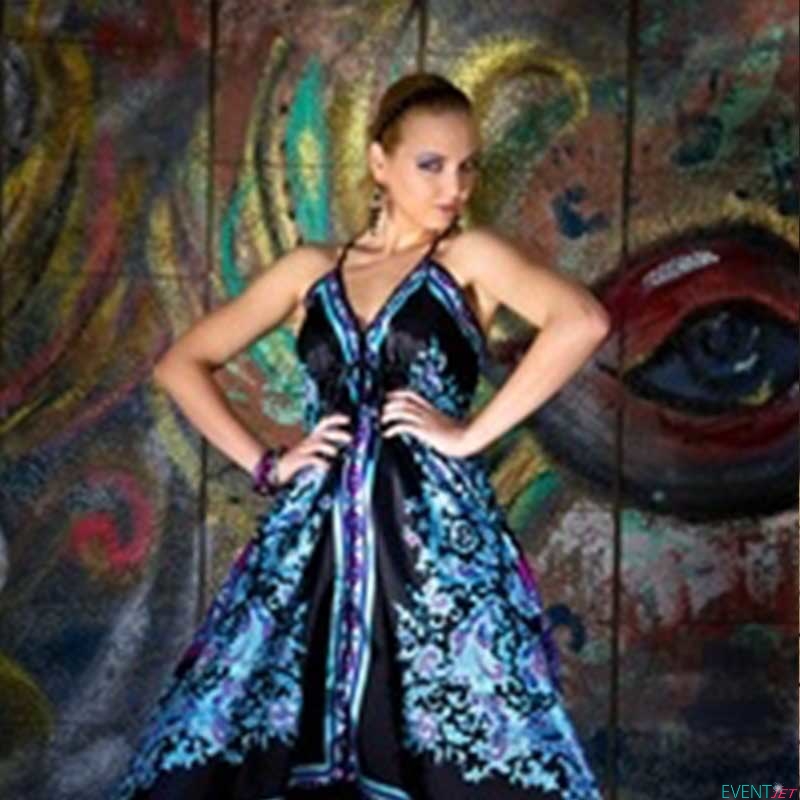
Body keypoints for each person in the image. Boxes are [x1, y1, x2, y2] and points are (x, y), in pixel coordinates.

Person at [112, 71, 610, 800]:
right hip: (313, 547)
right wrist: (267, 464)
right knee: (260, 741)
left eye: (467, 166)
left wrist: (471, 435)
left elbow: (583, 321)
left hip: (432, 548)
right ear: (380, 162)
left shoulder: (468, 260)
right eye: (431, 165)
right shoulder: (311, 271)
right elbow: (180, 365)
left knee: (456, 754)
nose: (454, 187)